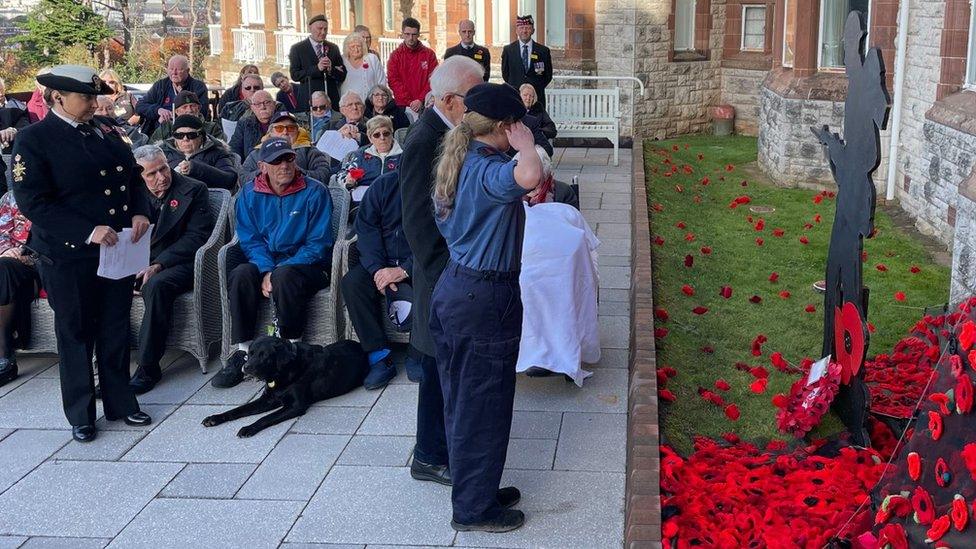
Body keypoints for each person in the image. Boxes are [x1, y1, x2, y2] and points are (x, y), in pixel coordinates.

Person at [12, 65, 153, 442]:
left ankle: (121, 402)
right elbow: (33, 202)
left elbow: (132, 177)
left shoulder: (105, 131)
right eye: (86, 97)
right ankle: (81, 413)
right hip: (69, 254)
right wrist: (87, 231)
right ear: (58, 97)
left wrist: (141, 209)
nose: (95, 103)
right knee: (75, 333)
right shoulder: (34, 140)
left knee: (114, 327)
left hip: (116, 251)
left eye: (95, 96)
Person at [429, 82, 540, 532]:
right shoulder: (490, 169)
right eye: (516, 127)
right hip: (484, 298)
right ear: (504, 127)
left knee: (463, 400)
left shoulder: (461, 159)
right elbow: (528, 175)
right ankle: (473, 510)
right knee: (484, 403)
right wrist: (527, 146)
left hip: (456, 288)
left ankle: (475, 487)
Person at [399, 56, 485, 487]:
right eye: (475, 97)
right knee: (435, 366)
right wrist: (449, 276)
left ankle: (439, 449)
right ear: (450, 100)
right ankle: (430, 456)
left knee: (444, 366)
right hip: (441, 277)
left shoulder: (451, 130)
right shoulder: (424, 141)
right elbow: (416, 223)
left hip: (453, 271)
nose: (480, 104)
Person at [212, 138, 334, 388]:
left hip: (309, 266)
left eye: (288, 158)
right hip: (266, 261)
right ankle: (244, 352)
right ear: (263, 165)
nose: (284, 165)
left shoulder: (315, 191)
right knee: (241, 273)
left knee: (285, 276)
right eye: (276, 160)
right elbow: (249, 240)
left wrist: (275, 271)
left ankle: (290, 348)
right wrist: (266, 269)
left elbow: (318, 243)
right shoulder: (248, 193)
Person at [129, 145, 215, 394]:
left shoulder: (193, 188)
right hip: (139, 262)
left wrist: (158, 264)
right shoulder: (130, 194)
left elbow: (197, 237)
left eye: (163, 169)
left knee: (156, 285)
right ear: (140, 176)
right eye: (152, 174)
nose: (161, 177)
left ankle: (148, 366)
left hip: (181, 262)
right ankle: (110, 365)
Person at [515, 146, 598, 384]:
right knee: (527, 286)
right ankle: (534, 350)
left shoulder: (561, 192)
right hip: (527, 261)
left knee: (560, 289)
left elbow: (574, 235)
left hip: (562, 264)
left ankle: (560, 349)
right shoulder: (511, 194)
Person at [341, 170, 415, 390]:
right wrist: (378, 270)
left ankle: (419, 351)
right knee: (352, 284)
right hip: (381, 261)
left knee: (432, 280)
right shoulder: (383, 186)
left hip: (416, 262)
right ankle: (378, 355)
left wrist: (404, 270)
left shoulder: (437, 187)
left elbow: (437, 237)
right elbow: (366, 230)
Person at [0, 193, 39, 388]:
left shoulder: (60, 187)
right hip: (13, 263)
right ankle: (4, 356)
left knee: (5, 269)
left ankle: (5, 356)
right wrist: (6, 251)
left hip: (47, 262)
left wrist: (30, 256)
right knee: (4, 267)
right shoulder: (11, 197)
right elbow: (2, 231)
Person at [240, 111, 333, 186]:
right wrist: (266, 170)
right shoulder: (257, 153)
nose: (285, 132)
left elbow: (324, 175)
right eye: (279, 128)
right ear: (270, 132)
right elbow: (243, 178)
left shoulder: (309, 150)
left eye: (291, 128)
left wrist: (298, 171)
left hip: (302, 196)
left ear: (298, 131)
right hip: (264, 198)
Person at [338, 116, 402, 216]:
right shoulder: (360, 155)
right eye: (376, 135)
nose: (382, 138)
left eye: (386, 133)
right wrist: (348, 181)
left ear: (392, 133)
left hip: (394, 202)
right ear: (370, 138)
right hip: (363, 203)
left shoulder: (404, 154)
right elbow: (341, 174)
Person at [160, 115, 240, 191]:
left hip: (205, 199)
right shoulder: (163, 153)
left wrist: (196, 168)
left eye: (191, 135)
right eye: (179, 135)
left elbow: (230, 180)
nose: (185, 139)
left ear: (201, 137)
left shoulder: (217, 152)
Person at [137, 55, 210, 137]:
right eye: (171, 69)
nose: (174, 73)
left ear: (187, 71)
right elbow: (140, 106)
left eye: (179, 70)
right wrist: (158, 110)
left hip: (189, 133)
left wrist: (172, 118)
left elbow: (202, 112)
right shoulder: (160, 85)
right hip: (158, 132)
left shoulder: (198, 87)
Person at [289, 14, 346, 112]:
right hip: (308, 99)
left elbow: (342, 75)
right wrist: (317, 68)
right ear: (310, 28)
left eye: (325, 29)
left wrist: (331, 70)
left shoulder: (333, 48)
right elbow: (295, 75)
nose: (323, 32)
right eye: (319, 29)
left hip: (331, 100)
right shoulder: (298, 48)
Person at [387, 17, 438, 116]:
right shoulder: (395, 56)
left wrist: (420, 99)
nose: (411, 38)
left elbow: (433, 79)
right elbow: (393, 80)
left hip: (425, 105)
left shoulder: (429, 55)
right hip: (403, 106)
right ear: (402, 34)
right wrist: (410, 102)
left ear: (418, 34)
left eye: (414, 34)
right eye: (407, 34)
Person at [501, 15, 553, 109]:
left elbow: (548, 75)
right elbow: (505, 74)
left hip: (536, 99)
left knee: (536, 123)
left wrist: (534, 89)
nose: (524, 31)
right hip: (515, 98)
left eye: (528, 28)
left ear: (533, 30)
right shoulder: (508, 50)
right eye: (521, 28)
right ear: (517, 30)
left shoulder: (543, 51)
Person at [151, 90, 226, 142]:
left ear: (199, 108)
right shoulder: (166, 128)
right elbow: (152, 149)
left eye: (192, 106)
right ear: (176, 111)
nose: (189, 110)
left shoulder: (212, 128)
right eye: (184, 107)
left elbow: (221, 149)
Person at [229, 89, 278, 160]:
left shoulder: (284, 122)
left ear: (274, 104)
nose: (263, 107)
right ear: (252, 108)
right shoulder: (244, 124)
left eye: (267, 102)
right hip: (251, 167)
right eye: (258, 104)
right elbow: (234, 149)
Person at [340, 33, 387, 102]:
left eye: (358, 46)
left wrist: (380, 99)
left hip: (370, 104)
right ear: (347, 48)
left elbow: (381, 81)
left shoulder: (372, 58)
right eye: (352, 47)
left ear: (363, 47)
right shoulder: (341, 60)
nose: (356, 50)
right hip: (348, 105)